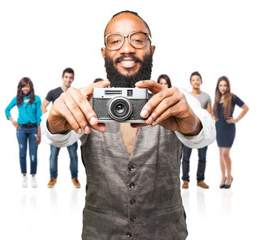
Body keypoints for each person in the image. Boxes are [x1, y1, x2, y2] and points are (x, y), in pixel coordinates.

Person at [42, 11, 215, 239]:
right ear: (104, 53)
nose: (126, 49)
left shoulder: (175, 98)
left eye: (138, 40)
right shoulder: (85, 100)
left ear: (151, 50)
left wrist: (191, 123)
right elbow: (57, 136)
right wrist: (55, 121)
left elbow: (207, 130)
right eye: (115, 41)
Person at [41, 68, 80, 188]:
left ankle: (74, 178)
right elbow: (43, 106)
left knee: (73, 156)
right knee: (53, 156)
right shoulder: (53, 92)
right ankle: (52, 178)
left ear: (73, 79)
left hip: (71, 130)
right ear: (62, 78)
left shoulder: (75, 93)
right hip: (56, 131)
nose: (68, 79)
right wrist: (49, 121)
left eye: (71, 77)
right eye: (66, 77)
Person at [213, 76, 249, 189]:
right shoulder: (217, 98)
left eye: (225, 85)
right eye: (221, 85)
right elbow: (216, 113)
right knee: (220, 153)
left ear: (228, 86)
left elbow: (246, 108)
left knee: (225, 154)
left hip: (229, 128)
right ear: (218, 87)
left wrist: (236, 119)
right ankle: (223, 177)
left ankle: (229, 177)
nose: (223, 88)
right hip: (218, 127)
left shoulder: (232, 97)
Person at [5, 77, 42, 188]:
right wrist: (12, 121)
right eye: (23, 86)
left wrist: (39, 135)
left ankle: (33, 176)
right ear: (20, 88)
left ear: (31, 87)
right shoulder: (17, 99)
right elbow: (7, 110)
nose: (25, 88)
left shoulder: (36, 99)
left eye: (27, 86)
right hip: (21, 129)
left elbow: (39, 117)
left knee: (33, 154)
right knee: (22, 153)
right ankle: (24, 176)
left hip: (34, 129)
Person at [182, 71, 212, 189]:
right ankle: (185, 180)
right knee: (185, 157)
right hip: (188, 131)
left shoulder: (206, 97)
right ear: (190, 82)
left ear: (201, 82)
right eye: (193, 80)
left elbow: (209, 113)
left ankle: (200, 180)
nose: (196, 81)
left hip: (202, 132)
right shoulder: (186, 96)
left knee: (202, 157)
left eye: (198, 79)